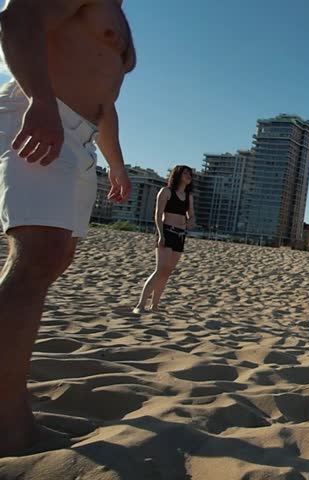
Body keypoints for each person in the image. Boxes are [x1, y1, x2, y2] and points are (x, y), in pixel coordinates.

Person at [0, 0, 135, 454]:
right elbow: (17, 19)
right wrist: (39, 101)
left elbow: (106, 103)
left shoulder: (120, 13)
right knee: (39, 254)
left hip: (82, 138)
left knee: (53, 259)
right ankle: (8, 422)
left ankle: (10, 402)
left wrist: (115, 164)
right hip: (41, 111)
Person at [133, 165, 194, 314]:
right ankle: (140, 305)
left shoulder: (188, 196)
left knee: (167, 272)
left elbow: (191, 215)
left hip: (180, 235)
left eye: (190, 174)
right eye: (185, 173)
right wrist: (161, 235)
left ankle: (154, 306)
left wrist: (190, 221)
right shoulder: (166, 191)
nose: (188, 176)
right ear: (178, 175)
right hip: (167, 232)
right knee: (160, 269)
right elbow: (158, 215)